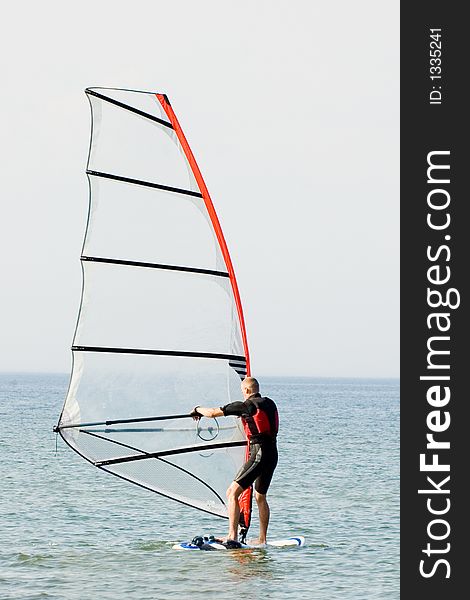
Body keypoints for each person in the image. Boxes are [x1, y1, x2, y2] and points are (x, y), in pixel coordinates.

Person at [191, 376, 279, 546]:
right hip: (273, 453)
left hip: (259, 454)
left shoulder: (245, 406)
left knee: (232, 492)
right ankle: (262, 539)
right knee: (260, 497)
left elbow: (211, 413)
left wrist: (197, 409)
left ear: (246, 391)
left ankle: (232, 536)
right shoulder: (270, 403)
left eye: (242, 391)